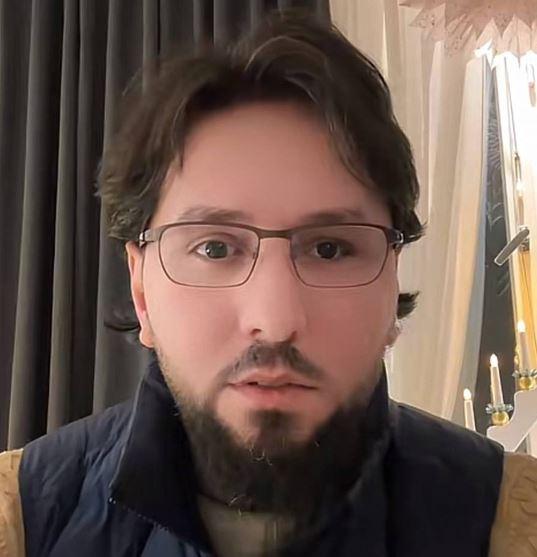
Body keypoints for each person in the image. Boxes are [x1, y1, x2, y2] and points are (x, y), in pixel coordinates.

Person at [1, 10, 536, 557]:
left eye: (330, 249)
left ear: (391, 278)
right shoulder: (19, 520)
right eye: (215, 248)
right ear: (141, 291)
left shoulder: (515, 521)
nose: (276, 322)